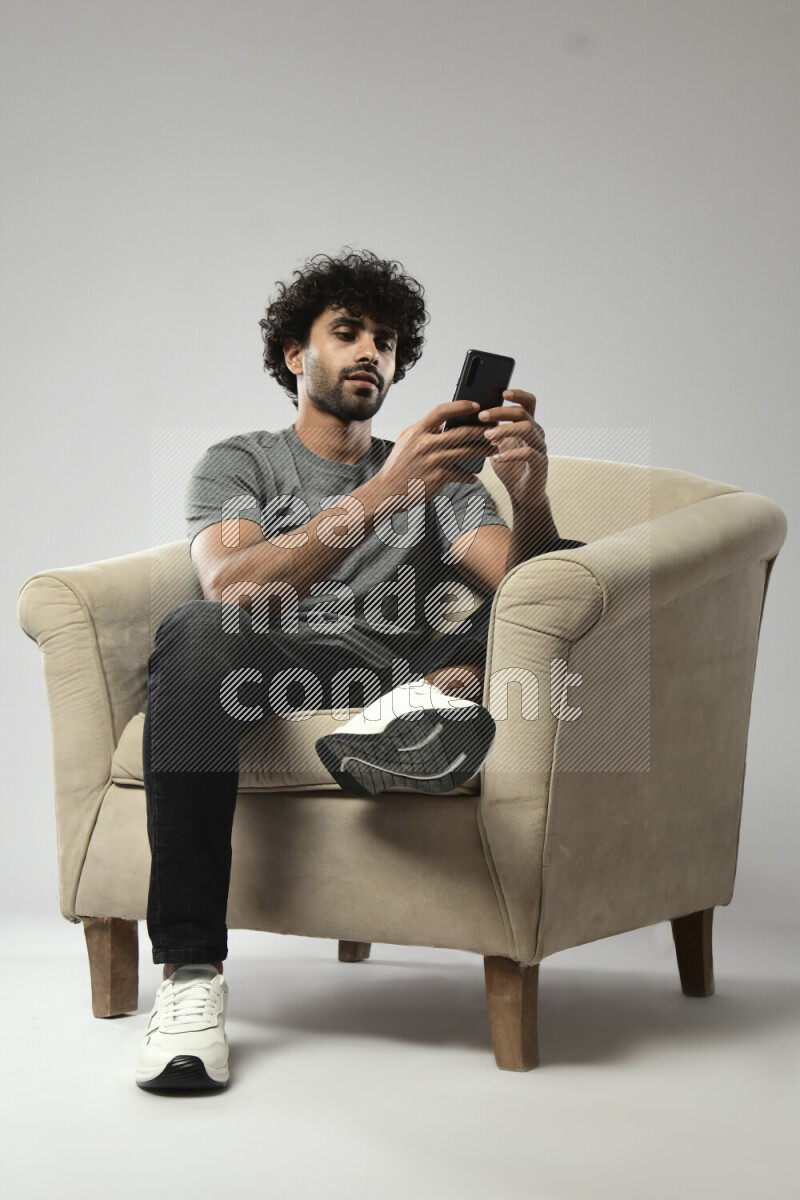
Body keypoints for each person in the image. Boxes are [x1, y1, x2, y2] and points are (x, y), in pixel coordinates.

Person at [135, 248, 585, 1091]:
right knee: (196, 628)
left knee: (558, 577)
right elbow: (233, 587)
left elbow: (529, 593)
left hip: (402, 667)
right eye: (347, 332)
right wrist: (384, 494)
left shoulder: (443, 477)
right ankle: (190, 975)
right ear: (295, 356)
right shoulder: (242, 462)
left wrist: (528, 497)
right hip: (289, 660)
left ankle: (433, 700)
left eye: (385, 340)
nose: (371, 351)